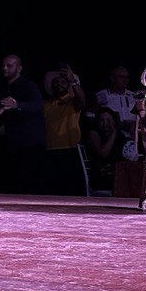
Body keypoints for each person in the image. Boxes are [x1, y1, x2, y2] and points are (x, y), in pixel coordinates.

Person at [0, 54, 45, 191]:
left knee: (29, 183)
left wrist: (17, 105)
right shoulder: (4, 87)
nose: (5, 68)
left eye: (9, 65)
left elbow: (38, 105)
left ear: (19, 68)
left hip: (29, 144)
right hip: (14, 143)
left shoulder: (28, 85)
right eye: (3, 65)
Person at [42, 64, 87, 194]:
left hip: (69, 150)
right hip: (49, 150)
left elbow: (82, 99)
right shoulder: (45, 104)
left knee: (70, 189)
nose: (58, 84)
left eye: (63, 82)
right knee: (52, 189)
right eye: (55, 82)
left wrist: (72, 81)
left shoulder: (73, 101)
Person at [94, 66, 138, 133]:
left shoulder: (134, 96)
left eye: (127, 77)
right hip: (110, 136)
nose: (125, 80)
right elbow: (90, 116)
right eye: (121, 77)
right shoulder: (101, 95)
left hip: (133, 136)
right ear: (112, 78)